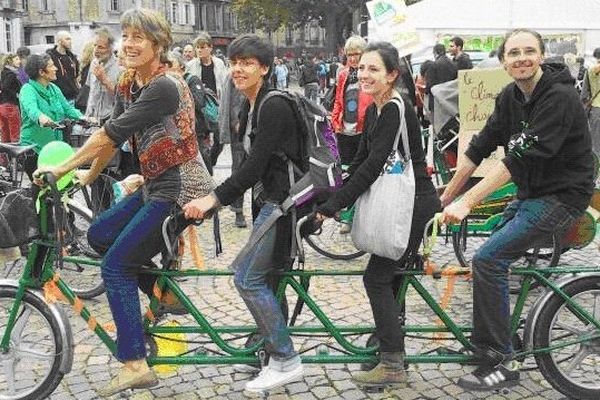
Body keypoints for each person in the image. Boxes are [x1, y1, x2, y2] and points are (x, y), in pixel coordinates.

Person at [33, 8, 214, 397]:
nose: (129, 44)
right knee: (99, 234)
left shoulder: (164, 86)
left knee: (115, 266)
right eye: (126, 36)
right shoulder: (132, 81)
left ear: (159, 44)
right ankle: (165, 294)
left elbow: (109, 135)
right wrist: (89, 175)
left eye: (139, 38)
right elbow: (108, 136)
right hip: (155, 184)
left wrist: (61, 167)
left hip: (181, 188)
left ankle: (134, 363)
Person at [440, 28, 594, 391]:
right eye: (513, 53)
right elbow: (480, 146)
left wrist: (467, 201)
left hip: (563, 196)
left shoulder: (559, 97)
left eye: (529, 51)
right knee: (488, 258)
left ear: (540, 55)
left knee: (489, 260)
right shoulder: (511, 96)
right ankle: (497, 342)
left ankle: (501, 360)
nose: (521, 58)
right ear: (503, 62)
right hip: (532, 194)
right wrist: (446, 196)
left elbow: (519, 158)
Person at [182, 34, 304, 393]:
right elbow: (252, 166)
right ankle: (265, 348)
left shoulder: (273, 105)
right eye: (234, 62)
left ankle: (285, 357)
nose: (238, 68)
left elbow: (253, 168)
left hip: (285, 204)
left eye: (247, 62)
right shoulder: (251, 104)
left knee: (247, 277)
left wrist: (212, 200)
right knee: (261, 277)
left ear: (264, 68)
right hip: (272, 202)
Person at [315, 41, 440, 388]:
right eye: (361, 68)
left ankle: (392, 364)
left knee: (377, 278)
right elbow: (359, 162)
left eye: (373, 69)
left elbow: (372, 166)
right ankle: (387, 345)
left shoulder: (395, 109)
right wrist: (333, 189)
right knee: (392, 278)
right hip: (405, 202)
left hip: (415, 204)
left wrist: (333, 207)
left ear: (392, 75)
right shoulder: (376, 109)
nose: (364, 74)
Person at [19, 54, 84, 181]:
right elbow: (32, 110)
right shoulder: (28, 89)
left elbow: (67, 109)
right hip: (34, 149)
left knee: (63, 187)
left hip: (55, 148)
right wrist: (42, 118)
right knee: (41, 189)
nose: (56, 68)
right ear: (41, 72)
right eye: (52, 66)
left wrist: (84, 118)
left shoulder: (54, 88)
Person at [331, 36, 374, 166]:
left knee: (362, 168)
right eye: (350, 55)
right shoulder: (343, 74)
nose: (353, 58)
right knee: (345, 169)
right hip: (344, 131)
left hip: (363, 130)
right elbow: (338, 100)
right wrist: (335, 121)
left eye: (356, 54)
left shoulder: (370, 75)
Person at [187, 32, 227, 167]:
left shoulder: (219, 64)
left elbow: (225, 83)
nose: (199, 50)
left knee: (219, 140)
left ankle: (211, 161)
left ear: (210, 48)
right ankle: (207, 167)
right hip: (200, 108)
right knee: (202, 142)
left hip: (216, 105)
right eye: (197, 48)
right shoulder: (191, 65)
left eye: (202, 47)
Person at [218, 73, 248, 228]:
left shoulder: (263, 69)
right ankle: (238, 209)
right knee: (239, 170)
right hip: (239, 129)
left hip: (257, 123)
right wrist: (235, 122)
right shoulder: (233, 75)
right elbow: (227, 102)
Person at [84, 27, 122, 125]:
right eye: (95, 45)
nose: (96, 50)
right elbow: (91, 92)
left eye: (100, 47)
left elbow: (122, 97)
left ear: (110, 48)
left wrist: (104, 79)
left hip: (111, 120)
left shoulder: (120, 67)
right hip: (92, 120)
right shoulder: (93, 63)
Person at [47, 31, 80, 103]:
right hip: (57, 98)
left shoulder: (72, 57)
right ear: (59, 41)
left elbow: (76, 77)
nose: (70, 41)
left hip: (73, 97)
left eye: (70, 39)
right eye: (67, 39)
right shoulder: (50, 57)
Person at [0, 54, 23, 154]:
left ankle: (5, 160)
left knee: (5, 135)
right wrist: (16, 95)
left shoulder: (3, 73)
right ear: (10, 61)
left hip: (2, 106)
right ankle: (16, 160)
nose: (19, 61)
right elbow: (5, 87)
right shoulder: (11, 74)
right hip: (11, 105)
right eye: (16, 59)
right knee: (15, 134)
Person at [425, 43, 457, 115]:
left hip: (437, 101)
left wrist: (426, 91)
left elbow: (430, 84)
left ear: (435, 52)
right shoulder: (453, 64)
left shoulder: (434, 65)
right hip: (450, 101)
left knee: (437, 124)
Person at [581, 47, 600, 155]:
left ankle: (597, 168)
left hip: (596, 110)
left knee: (596, 143)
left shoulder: (590, 71)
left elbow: (584, 95)